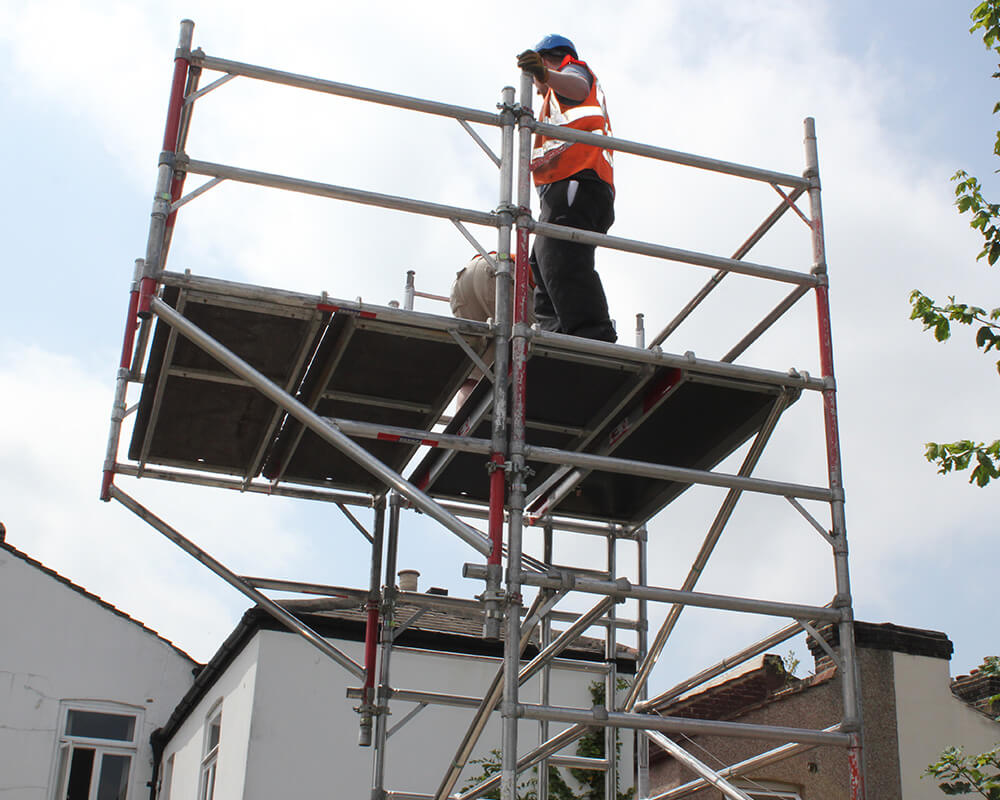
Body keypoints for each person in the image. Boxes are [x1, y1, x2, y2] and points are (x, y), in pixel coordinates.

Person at [517, 34, 617, 343]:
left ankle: (593, 337)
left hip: (580, 179)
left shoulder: (573, 71)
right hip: (563, 190)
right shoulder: (553, 99)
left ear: (547, 59)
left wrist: (547, 75)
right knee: (543, 262)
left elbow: (577, 85)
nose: (535, 87)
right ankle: (558, 337)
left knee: (562, 258)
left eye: (537, 76)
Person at [450, 252, 536, 405]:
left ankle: (462, 426)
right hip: (500, 274)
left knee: (475, 376)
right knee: (538, 350)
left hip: (467, 277)